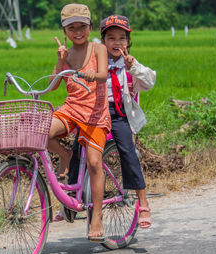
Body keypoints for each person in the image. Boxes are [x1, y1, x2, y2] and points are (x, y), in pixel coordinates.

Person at [55, 15, 156, 229]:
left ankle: (143, 202)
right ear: (102, 40)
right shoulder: (95, 57)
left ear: (128, 42)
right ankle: (71, 201)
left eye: (122, 38)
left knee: (128, 153)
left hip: (117, 114)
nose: (117, 43)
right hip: (94, 111)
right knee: (77, 151)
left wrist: (133, 67)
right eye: (111, 38)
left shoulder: (128, 64)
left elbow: (149, 81)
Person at [47, 3, 111, 241]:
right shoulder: (67, 54)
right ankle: (66, 156)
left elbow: (103, 74)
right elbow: (52, 85)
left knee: (95, 163)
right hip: (72, 108)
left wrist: (95, 75)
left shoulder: (98, 49)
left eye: (82, 27)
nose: (77, 32)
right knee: (43, 132)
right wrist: (60, 61)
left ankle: (97, 216)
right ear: (64, 31)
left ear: (90, 27)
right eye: (71, 28)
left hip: (95, 113)